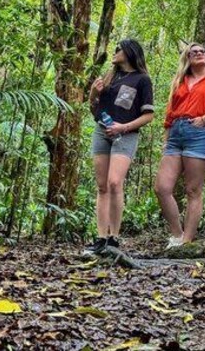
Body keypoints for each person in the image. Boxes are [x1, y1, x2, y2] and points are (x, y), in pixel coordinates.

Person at [154, 43, 205, 248]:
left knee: (193, 189)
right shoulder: (181, 79)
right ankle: (176, 235)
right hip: (176, 132)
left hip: (201, 132)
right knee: (162, 188)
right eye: (194, 52)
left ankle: (187, 242)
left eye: (202, 51)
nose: (199, 53)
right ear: (187, 58)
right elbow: (170, 111)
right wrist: (166, 139)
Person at [84, 39, 154, 254]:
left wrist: (123, 127)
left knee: (115, 182)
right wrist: (94, 93)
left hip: (126, 134)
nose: (114, 52)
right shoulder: (110, 76)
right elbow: (94, 109)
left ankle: (114, 237)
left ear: (130, 52)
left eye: (118, 49)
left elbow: (149, 115)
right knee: (102, 186)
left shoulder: (142, 80)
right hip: (102, 131)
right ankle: (100, 238)